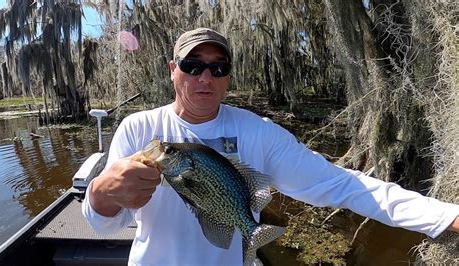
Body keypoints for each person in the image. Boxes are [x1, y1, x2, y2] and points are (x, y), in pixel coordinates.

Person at [83, 27, 459, 266]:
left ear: (228, 74)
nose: (206, 77)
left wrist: (442, 217)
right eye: (193, 64)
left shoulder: (257, 132)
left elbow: (343, 184)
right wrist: (101, 192)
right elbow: (103, 224)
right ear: (172, 69)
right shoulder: (139, 129)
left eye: (219, 67)